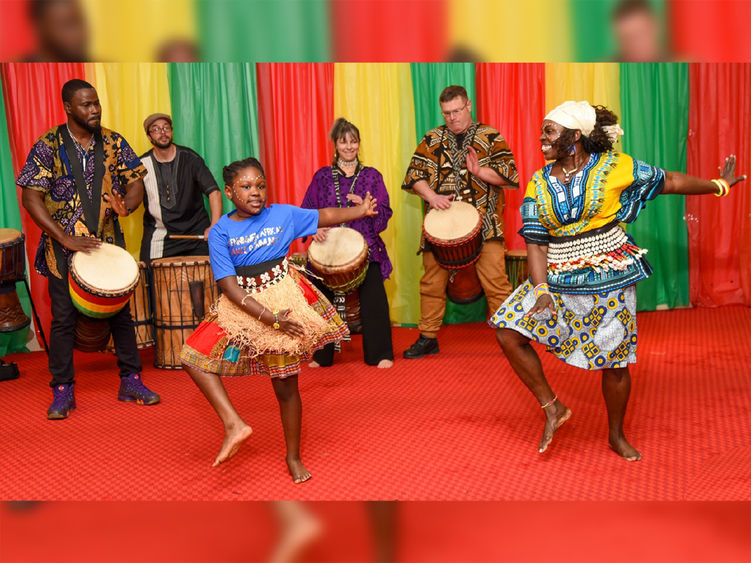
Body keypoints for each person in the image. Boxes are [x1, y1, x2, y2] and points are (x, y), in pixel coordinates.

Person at [491, 101, 746, 461]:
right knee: (507, 329)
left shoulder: (615, 167)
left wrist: (718, 185)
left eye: (550, 131)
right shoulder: (538, 181)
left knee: (615, 362)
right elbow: (535, 239)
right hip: (558, 276)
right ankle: (553, 408)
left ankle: (615, 434)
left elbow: (669, 180)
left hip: (610, 271)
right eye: (543, 131)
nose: (541, 138)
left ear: (575, 136)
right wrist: (541, 288)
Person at [180, 157, 378, 483]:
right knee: (193, 356)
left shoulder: (283, 214)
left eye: (260, 185)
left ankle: (293, 456)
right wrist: (270, 319)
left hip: (283, 296)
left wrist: (358, 212)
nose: (255, 192)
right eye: (246, 187)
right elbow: (227, 285)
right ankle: (234, 424)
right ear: (229, 191)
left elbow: (324, 215)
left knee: (286, 386)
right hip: (244, 303)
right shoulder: (221, 232)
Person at [18, 78, 160, 419]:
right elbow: (30, 196)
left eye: (96, 103)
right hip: (62, 248)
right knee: (63, 319)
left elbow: (136, 181)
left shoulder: (112, 141)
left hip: (107, 245)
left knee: (120, 317)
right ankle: (63, 389)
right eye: (86, 104)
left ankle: (131, 380)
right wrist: (64, 238)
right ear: (69, 107)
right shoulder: (48, 145)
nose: (94, 109)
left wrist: (128, 204)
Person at [402, 85, 519, 359]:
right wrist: (430, 196)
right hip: (439, 227)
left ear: (468, 105)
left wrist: (479, 171)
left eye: (456, 111)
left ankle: (511, 335)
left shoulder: (491, 137)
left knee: (497, 282)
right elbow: (413, 175)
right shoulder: (431, 139)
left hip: (485, 223)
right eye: (447, 113)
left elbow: (510, 176)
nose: (452, 117)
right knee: (431, 283)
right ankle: (428, 337)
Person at [301, 118, 394, 369]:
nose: (349, 146)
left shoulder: (372, 176)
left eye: (354, 141)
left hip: (363, 246)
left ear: (359, 144)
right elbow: (307, 210)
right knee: (322, 299)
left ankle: (380, 353)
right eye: (344, 141)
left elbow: (385, 211)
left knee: (374, 296)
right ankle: (322, 355)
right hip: (328, 249)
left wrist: (368, 209)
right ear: (336, 146)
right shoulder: (322, 177)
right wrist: (316, 227)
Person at [139, 113, 222, 262]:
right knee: (149, 279)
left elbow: (214, 192)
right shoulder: (141, 165)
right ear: (149, 137)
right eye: (156, 129)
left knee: (207, 281)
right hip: (160, 238)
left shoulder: (190, 158)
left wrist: (214, 226)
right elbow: (132, 198)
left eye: (166, 128)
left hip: (196, 235)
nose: (162, 132)